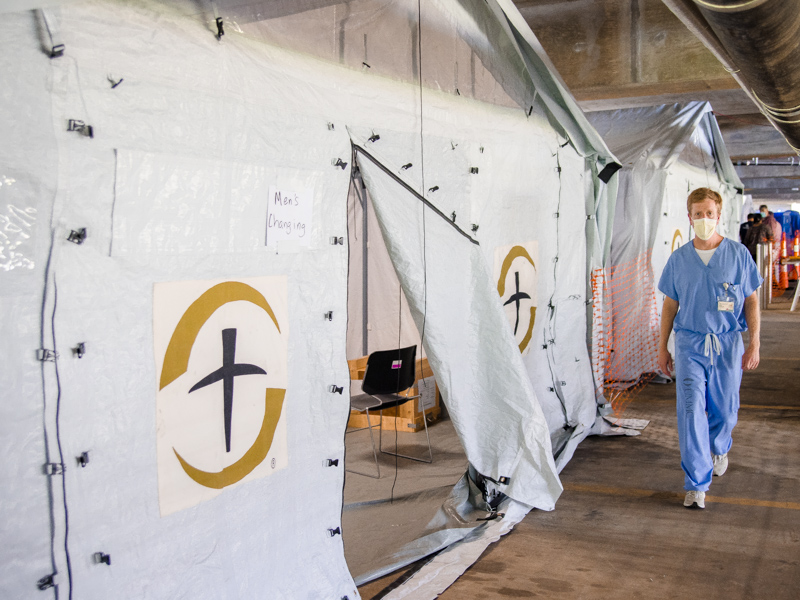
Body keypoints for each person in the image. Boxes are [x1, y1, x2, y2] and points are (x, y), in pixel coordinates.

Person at [658, 188, 762, 509]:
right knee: (690, 411)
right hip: (690, 343)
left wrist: (754, 342)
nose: (704, 219)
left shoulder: (738, 255)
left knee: (725, 408)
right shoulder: (679, 260)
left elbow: (751, 301)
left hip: (728, 343)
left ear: (720, 216)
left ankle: (719, 446)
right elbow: (669, 305)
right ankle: (696, 482)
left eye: (710, 213)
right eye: (698, 214)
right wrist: (663, 347)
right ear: (689, 218)